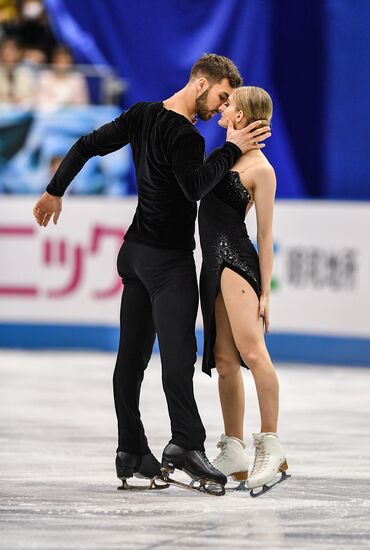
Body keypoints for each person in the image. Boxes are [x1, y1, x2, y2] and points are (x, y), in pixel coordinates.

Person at [32, 54, 271, 494]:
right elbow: (195, 187)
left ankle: (132, 451)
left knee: (132, 358)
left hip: (135, 254)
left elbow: (88, 143)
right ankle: (185, 444)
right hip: (168, 263)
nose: (220, 108)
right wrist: (234, 148)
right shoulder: (186, 137)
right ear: (201, 83)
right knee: (178, 359)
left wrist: (54, 190)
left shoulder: (142, 114)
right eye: (220, 97)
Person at [198, 86, 288, 493]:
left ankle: (271, 445)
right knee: (224, 359)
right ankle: (233, 450)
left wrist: (265, 293)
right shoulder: (225, 158)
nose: (222, 106)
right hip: (213, 265)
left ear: (240, 115)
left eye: (228, 103)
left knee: (252, 352)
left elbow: (265, 236)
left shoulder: (261, 170)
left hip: (236, 261)